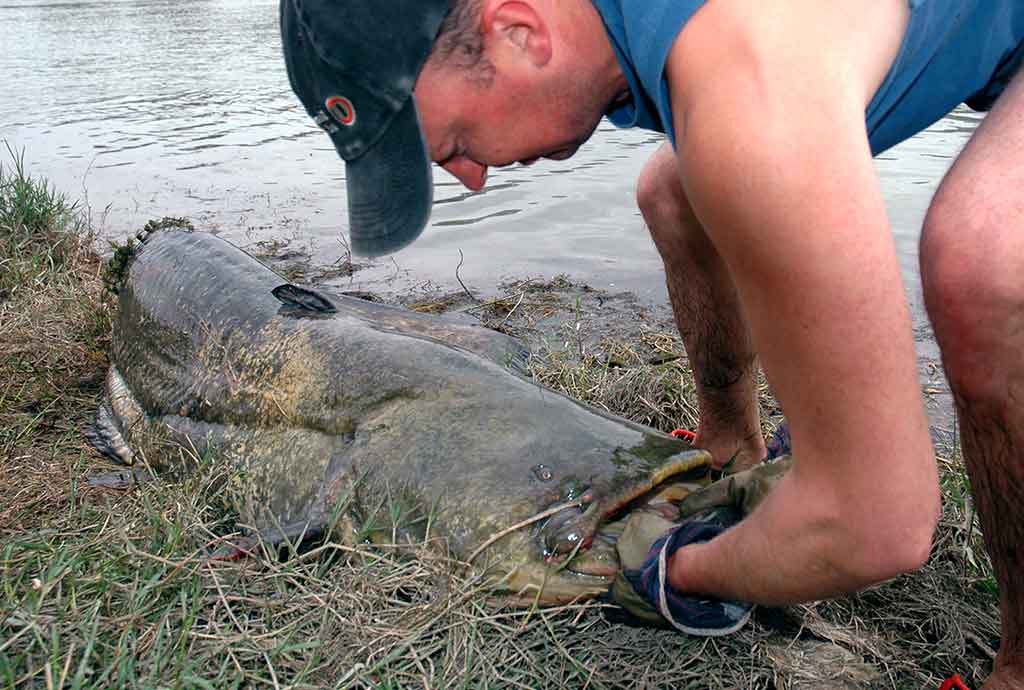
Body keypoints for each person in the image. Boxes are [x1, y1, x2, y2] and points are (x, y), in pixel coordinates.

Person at [280, 0, 1024, 686]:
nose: (472, 180)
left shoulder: (748, 90)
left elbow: (880, 529)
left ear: (520, 32)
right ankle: (731, 444)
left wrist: (683, 572)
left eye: (458, 144)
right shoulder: (641, 39)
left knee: (982, 267)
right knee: (674, 188)